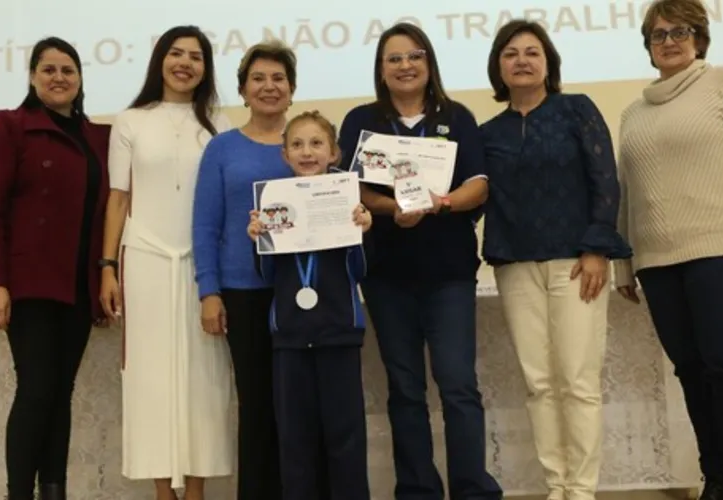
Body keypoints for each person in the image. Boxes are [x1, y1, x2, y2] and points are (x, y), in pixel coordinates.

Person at [614, 1, 723, 499]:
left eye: (680, 31)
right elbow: (627, 195)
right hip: (658, 263)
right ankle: (717, 475)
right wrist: (625, 263)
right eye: (657, 34)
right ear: (647, 46)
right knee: (690, 369)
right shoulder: (632, 113)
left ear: (700, 38)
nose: (668, 41)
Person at [337, 23, 503, 500]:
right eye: (394, 58)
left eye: (414, 56)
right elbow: (353, 188)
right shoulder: (361, 121)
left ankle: (473, 490)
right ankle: (417, 490)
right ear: (381, 70)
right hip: (387, 276)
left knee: (458, 387)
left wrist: (440, 204)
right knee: (406, 391)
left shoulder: (458, 117)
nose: (405, 65)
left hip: (449, 275)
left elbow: (480, 184)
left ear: (429, 63)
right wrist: (395, 210)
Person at [479, 20, 632, 500]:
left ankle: (582, 490)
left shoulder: (576, 110)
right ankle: (556, 485)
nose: (521, 60)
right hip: (515, 265)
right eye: (510, 53)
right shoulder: (486, 133)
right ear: (498, 67)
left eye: (532, 52)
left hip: (576, 262)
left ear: (548, 63)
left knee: (578, 380)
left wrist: (596, 248)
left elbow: (606, 180)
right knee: (539, 383)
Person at [0, 36, 111, 500]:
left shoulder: (98, 138)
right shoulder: (11, 128)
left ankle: (54, 490)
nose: (58, 78)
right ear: (32, 76)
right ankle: (19, 494)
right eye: (48, 69)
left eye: (67, 70)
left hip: (77, 284)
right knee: (35, 390)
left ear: (80, 78)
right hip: (30, 284)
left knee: (60, 393)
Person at [99, 26, 234, 500]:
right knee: (150, 377)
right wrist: (108, 266)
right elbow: (118, 197)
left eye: (196, 56)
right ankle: (163, 490)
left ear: (206, 68)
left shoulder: (219, 123)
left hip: (203, 265)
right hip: (146, 258)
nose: (185, 63)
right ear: (160, 59)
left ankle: (195, 488)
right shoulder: (131, 120)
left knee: (205, 377)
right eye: (176, 53)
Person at [191, 40, 301, 500]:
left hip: (301, 291)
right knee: (256, 406)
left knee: (297, 406)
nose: (268, 86)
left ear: (292, 90)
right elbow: (204, 223)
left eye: (278, 78)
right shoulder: (222, 148)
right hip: (242, 292)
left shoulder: (307, 144)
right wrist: (209, 291)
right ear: (243, 89)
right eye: (258, 78)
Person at [246, 110, 374, 500]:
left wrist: (361, 230)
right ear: (285, 155)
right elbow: (268, 275)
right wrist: (259, 237)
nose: (307, 152)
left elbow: (360, 271)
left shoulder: (347, 201)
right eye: (297, 145)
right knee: (295, 442)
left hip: (339, 333)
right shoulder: (274, 202)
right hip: (290, 336)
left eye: (316, 143)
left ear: (334, 153)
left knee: (346, 439)